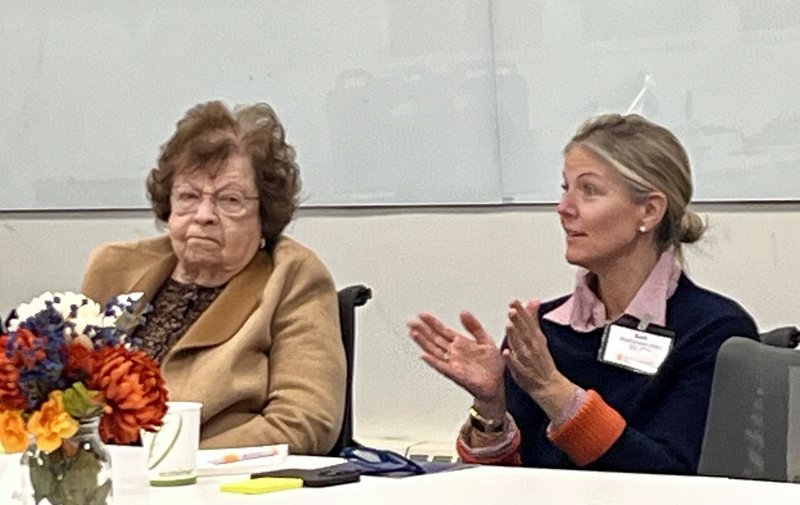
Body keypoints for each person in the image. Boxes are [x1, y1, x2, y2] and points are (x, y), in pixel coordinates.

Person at [408, 113, 758, 474]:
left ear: (649, 211)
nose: (564, 208)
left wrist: (551, 388)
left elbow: (670, 477)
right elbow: (505, 478)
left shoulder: (713, 332)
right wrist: (491, 407)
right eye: (565, 188)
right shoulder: (544, 327)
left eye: (588, 190)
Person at [81, 100, 345, 454]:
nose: (204, 215)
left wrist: (174, 460)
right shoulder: (112, 268)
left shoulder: (292, 278)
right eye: (188, 196)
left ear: (263, 215)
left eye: (230, 200)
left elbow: (304, 423)